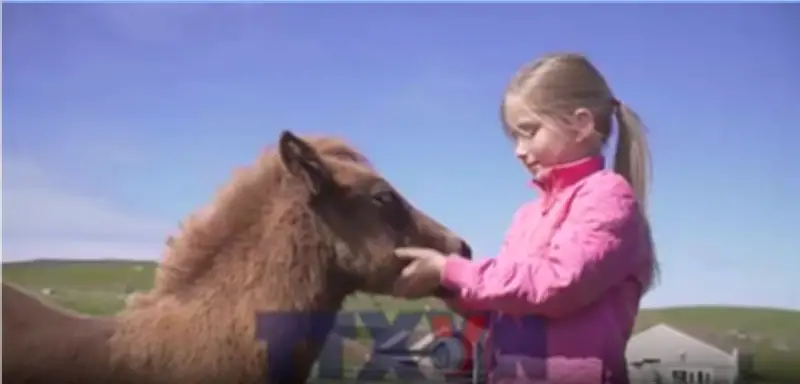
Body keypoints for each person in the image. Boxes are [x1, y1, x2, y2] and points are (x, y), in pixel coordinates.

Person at [392, 52, 657, 384]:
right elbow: (506, 308)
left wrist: (451, 269)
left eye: (529, 132)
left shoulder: (608, 197)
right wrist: (443, 287)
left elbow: (558, 283)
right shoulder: (526, 217)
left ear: (582, 124)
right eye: (514, 137)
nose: (519, 150)